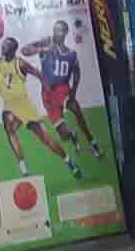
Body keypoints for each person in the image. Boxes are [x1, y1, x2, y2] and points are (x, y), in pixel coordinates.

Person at [0, 33, 77, 175]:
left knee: (45, 139)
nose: (2, 46)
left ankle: (67, 160)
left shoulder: (20, 63)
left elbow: (37, 73)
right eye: (3, 44)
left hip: (24, 105)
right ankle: (22, 164)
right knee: (8, 125)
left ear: (12, 49)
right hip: (10, 105)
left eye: (6, 45)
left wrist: (48, 88)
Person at [23, 20, 103, 159]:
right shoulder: (46, 45)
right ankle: (72, 134)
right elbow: (24, 51)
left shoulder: (72, 54)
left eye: (59, 30)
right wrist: (40, 46)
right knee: (64, 135)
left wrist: (73, 93)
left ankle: (93, 143)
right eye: (54, 29)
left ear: (65, 33)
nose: (55, 33)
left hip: (62, 89)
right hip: (48, 94)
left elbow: (77, 73)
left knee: (75, 108)